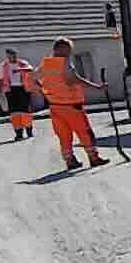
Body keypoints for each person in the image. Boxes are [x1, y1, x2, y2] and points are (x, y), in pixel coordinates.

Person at [36, 38, 107, 170]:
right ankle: (93, 158)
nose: (70, 51)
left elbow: (33, 78)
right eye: (69, 48)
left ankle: (70, 160)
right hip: (71, 105)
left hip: (54, 105)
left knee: (64, 135)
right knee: (84, 132)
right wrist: (97, 87)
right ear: (61, 49)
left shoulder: (46, 64)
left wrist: (45, 90)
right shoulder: (64, 63)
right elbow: (73, 79)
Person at [0, 48, 38, 142]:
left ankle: (29, 130)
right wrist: (1, 91)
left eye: (14, 55)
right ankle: (19, 133)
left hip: (24, 89)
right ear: (7, 56)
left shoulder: (23, 63)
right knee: (14, 113)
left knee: (26, 112)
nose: (12, 57)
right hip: (10, 90)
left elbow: (30, 69)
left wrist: (19, 70)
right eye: (10, 55)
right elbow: (0, 78)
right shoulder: (3, 65)